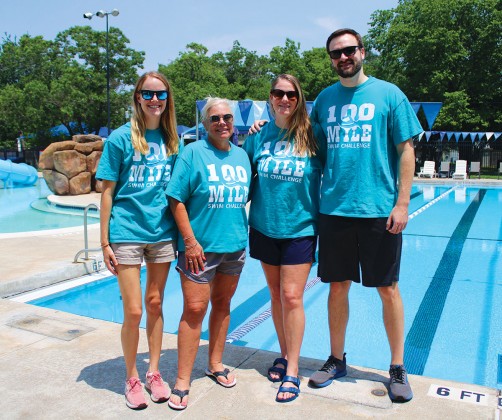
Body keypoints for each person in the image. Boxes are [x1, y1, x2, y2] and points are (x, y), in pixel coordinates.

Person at [306, 28, 421, 403]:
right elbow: (312, 150)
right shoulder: (323, 100)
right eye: (336, 53)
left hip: (378, 210)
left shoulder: (389, 94)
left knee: (387, 288)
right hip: (335, 209)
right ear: (332, 59)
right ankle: (336, 359)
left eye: (349, 50)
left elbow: (406, 150)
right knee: (337, 286)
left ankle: (397, 367)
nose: (344, 57)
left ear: (362, 52)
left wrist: (402, 203)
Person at [96, 71, 180, 410]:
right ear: (138, 97)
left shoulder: (174, 140)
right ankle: (131, 375)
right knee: (133, 310)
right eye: (148, 94)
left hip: (161, 233)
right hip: (127, 231)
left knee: (156, 304)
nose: (155, 100)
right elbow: (107, 192)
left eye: (160, 94)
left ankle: (154, 372)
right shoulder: (119, 139)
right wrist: (104, 243)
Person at [165, 98, 251, 411]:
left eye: (227, 117)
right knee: (195, 309)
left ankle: (215, 363)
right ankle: (182, 380)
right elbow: (176, 199)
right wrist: (189, 241)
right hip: (199, 249)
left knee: (223, 304)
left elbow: (245, 197)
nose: (222, 122)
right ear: (205, 123)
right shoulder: (192, 154)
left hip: (234, 245)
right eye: (215, 118)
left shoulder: (242, 156)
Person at [242, 74, 323, 403]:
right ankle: (285, 353)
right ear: (270, 97)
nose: (284, 99)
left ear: (299, 98)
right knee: (275, 296)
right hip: (263, 225)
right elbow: (240, 176)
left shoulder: (313, 135)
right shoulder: (258, 136)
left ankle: (292, 370)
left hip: (300, 228)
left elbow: (339, 170)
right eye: (278, 93)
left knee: (292, 297)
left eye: (291, 94)